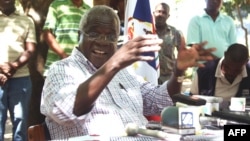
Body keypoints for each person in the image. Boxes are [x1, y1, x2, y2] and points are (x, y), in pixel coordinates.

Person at [40, 5, 215, 140]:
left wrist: (178, 71)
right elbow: (68, 112)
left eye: (110, 36)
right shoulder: (62, 70)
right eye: (94, 33)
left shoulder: (123, 73)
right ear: (80, 34)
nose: (102, 41)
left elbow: (159, 100)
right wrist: (114, 63)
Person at [0, 0, 37, 140]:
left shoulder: (27, 21)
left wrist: (13, 67)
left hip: (21, 78)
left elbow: (30, 49)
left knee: (20, 122)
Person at [42, 0, 90, 76]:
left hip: (79, 68)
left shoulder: (89, 11)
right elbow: (47, 34)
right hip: (56, 65)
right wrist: (64, 56)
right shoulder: (57, 5)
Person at [153, 2, 182, 84]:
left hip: (168, 77)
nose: (160, 14)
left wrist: (177, 72)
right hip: (149, 75)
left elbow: (182, 53)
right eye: (158, 11)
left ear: (168, 16)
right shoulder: (146, 31)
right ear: (153, 13)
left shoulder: (174, 32)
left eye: (164, 12)